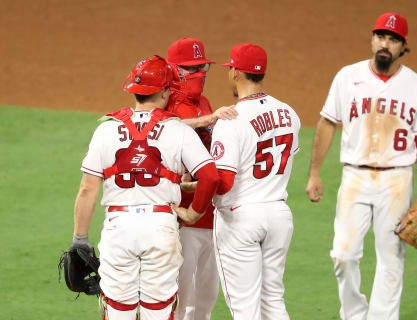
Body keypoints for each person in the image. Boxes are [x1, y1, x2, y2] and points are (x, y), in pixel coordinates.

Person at [305, 13, 417, 320]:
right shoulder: (347, 76)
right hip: (354, 177)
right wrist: (314, 172)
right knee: (343, 255)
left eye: (393, 39)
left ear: (404, 47)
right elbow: (328, 122)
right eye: (380, 36)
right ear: (372, 39)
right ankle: (354, 314)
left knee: (391, 258)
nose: (384, 44)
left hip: (397, 180)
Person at [71, 55, 219, 320]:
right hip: (161, 227)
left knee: (118, 312)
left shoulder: (106, 129)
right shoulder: (177, 130)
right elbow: (210, 176)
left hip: (119, 227)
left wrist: (79, 239)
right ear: (165, 92)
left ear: (135, 90)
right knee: (158, 312)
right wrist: (194, 212)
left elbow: (86, 189)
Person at [210, 43, 301, 320]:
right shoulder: (289, 113)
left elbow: (223, 182)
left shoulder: (231, 120)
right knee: (273, 300)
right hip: (278, 215)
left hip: (241, 219)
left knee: (245, 310)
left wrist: (190, 189)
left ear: (236, 72)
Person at [165, 37, 237, 320]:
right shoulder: (166, 103)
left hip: (210, 215)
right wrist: (206, 121)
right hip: (182, 218)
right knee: (180, 300)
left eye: (202, 67)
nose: (199, 75)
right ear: (174, 70)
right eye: (191, 69)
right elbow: (166, 127)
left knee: (206, 300)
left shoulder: (204, 102)